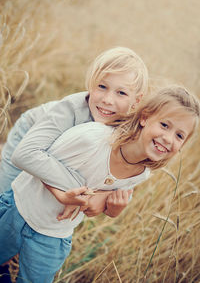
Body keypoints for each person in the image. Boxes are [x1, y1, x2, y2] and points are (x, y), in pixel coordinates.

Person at [0, 85, 199, 283]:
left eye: (179, 135)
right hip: (19, 209)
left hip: (55, 233)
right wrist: (67, 192)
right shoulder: (93, 138)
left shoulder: (142, 174)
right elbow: (40, 160)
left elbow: (100, 206)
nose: (168, 138)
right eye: (164, 125)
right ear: (144, 118)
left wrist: (113, 209)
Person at [0, 46, 148, 199]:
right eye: (102, 86)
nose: (107, 100)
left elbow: (124, 179)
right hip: (30, 132)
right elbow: (24, 155)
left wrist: (107, 198)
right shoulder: (71, 110)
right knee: (6, 191)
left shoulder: (126, 128)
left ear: (136, 101)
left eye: (121, 93)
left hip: (55, 152)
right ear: (91, 84)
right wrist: (83, 189)